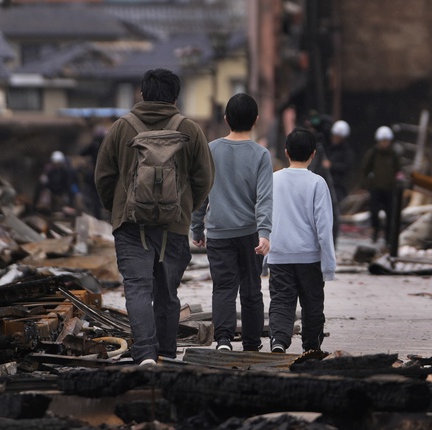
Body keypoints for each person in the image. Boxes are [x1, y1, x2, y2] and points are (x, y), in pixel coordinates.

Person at [95, 68, 214, 365]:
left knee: (137, 289)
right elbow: (205, 178)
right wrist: (184, 209)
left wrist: (119, 208)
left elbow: (103, 177)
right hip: (174, 226)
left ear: (143, 94)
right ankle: (167, 354)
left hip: (131, 224)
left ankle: (146, 355)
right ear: (175, 96)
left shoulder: (121, 128)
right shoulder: (190, 129)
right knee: (167, 293)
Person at [191, 93, 273, 352]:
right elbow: (265, 198)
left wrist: (197, 226)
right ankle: (251, 343)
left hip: (218, 233)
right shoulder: (261, 155)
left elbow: (199, 192)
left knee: (223, 288)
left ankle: (223, 340)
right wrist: (265, 232)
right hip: (250, 234)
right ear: (256, 120)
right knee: (251, 288)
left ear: (226, 119)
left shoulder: (210, 149)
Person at [266, 128, 336, 356]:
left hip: (279, 254)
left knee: (281, 302)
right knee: (313, 303)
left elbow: (262, 215)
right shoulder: (317, 183)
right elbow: (324, 228)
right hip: (309, 257)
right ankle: (312, 347)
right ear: (313, 154)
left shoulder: (273, 180)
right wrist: (328, 265)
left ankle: (278, 340)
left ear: (286, 152)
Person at [359, 126, 403, 246]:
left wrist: (399, 182)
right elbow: (365, 169)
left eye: (386, 141)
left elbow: (398, 170)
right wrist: (364, 185)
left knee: (390, 213)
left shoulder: (393, 154)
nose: (384, 143)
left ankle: (388, 237)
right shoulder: (373, 153)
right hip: (376, 188)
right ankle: (375, 232)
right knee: (374, 212)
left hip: (390, 188)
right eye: (382, 141)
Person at [324, 120, 356, 247]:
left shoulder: (346, 152)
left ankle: (332, 242)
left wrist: (331, 166)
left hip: (337, 186)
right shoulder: (326, 147)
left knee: (333, 215)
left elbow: (346, 167)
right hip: (325, 183)